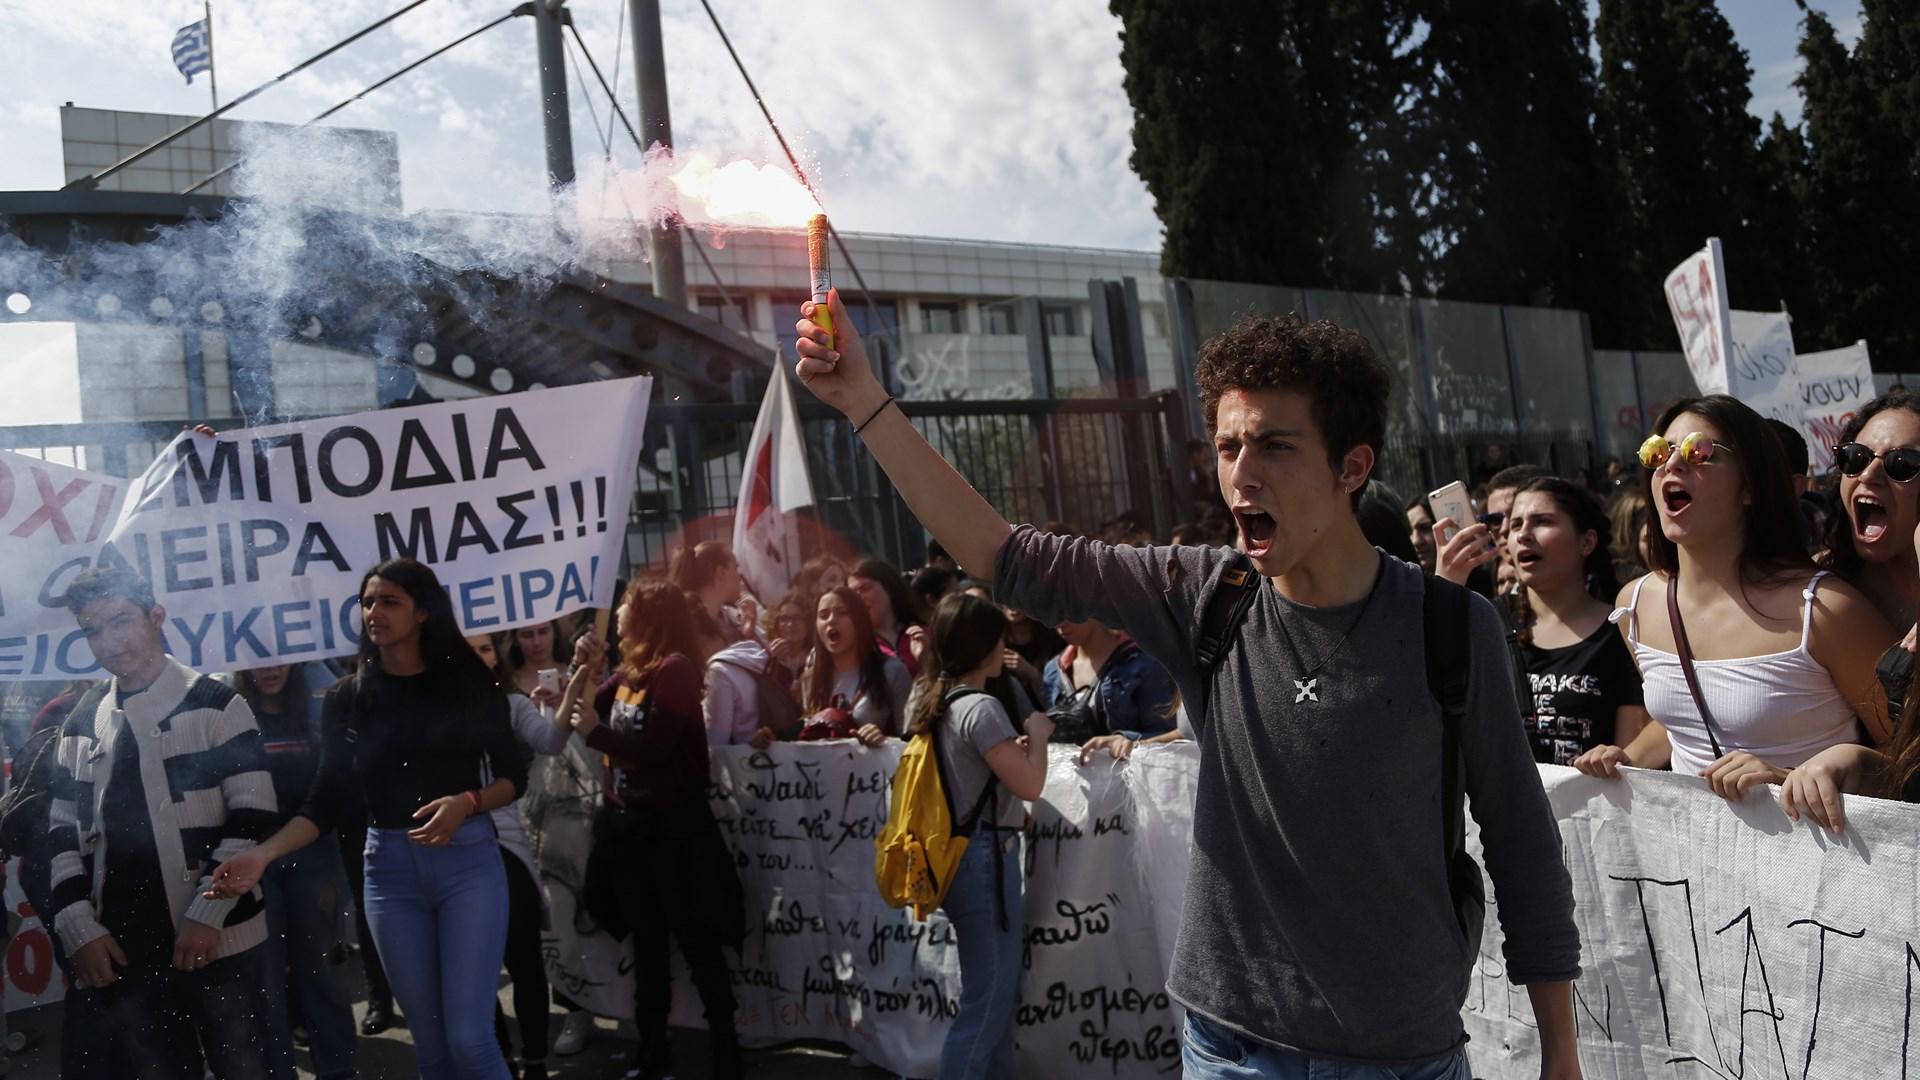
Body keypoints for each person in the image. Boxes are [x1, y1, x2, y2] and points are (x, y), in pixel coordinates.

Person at [795, 295, 1582, 1077]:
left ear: (1352, 466)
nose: (1241, 474)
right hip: (1228, 1050)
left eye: (1274, 446)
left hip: (1401, 1055)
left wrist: (1562, 1053)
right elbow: (999, 552)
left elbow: (1518, 838)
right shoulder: (1202, 592)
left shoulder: (1452, 627)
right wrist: (863, 399)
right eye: (1227, 445)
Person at [208, 558, 532, 1080]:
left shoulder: (470, 684)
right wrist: (261, 854)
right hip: (389, 874)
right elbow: (325, 800)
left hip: (468, 865)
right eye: (367, 602)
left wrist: (465, 803)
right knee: (431, 1048)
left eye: (389, 601)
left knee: (470, 1041)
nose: (373, 612)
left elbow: (515, 777)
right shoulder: (346, 698)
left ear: (423, 612)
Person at [1572, 396, 1894, 801]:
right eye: (1658, 452)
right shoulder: (1635, 606)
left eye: (1699, 451)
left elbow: (1907, 755)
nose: (1672, 464)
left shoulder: (1827, 609)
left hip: (1814, 856)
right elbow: (1683, 722)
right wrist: (1627, 756)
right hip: (1694, 857)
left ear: (1750, 487)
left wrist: (1798, 773)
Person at [47, 566, 280, 1079]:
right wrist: (78, 927)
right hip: (122, 949)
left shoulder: (219, 704)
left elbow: (254, 818)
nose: (109, 641)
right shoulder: (82, 722)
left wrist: (207, 911)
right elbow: (62, 834)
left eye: (121, 620)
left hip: (223, 942)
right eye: (92, 629)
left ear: (156, 617)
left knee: (247, 1069)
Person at [574, 579, 744, 1080]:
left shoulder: (674, 671)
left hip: (673, 832)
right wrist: (583, 665)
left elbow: (655, 749)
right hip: (629, 833)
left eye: (627, 604)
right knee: (646, 945)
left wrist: (594, 735)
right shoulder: (630, 671)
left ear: (647, 614)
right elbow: (590, 702)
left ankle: (725, 1051)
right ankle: (652, 1049)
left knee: (696, 942)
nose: (620, 609)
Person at [905, 593, 1052, 1079]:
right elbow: (1029, 784)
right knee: (985, 1008)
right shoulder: (982, 707)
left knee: (988, 1002)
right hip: (985, 862)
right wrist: (1039, 734)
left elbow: (975, 781)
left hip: (958, 858)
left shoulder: (934, 698)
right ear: (990, 647)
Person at [232, 662, 357, 1080]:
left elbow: (334, 786)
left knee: (325, 975)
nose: (270, 668)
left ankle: (339, 1071)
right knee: (263, 986)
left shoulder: (318, 710)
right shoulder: (231, 717)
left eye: (279, 656)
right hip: (252, 860)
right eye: (258, 659)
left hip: (315, 854)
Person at [468, 633, 577, 1080]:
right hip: (456, 849)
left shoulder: (511, 705)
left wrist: (571, 694)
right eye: (470, 649)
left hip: (506, 846)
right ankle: (503, 1059)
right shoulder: (432, 707)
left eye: (487, 648)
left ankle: (534, 1061)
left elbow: (550, 741)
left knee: (525, 960)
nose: (480, 658)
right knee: (475, 968)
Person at [1506, 479, 1649, 766]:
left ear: (1586, 542)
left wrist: (1618, 759)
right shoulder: (1490, 624)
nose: (1523, 535)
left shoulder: (1620, 630)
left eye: (1542, 521)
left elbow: (1629, 758)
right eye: (1515, 524)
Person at [1043, 613, 1178, 744]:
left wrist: (1126, 740)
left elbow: (1166, 735)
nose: (1060, 624)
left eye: (1067, 612)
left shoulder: (1143, 663)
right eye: (1053, 614)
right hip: (1070, 765)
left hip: (1128, 765)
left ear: (1091, 607)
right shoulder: (1053, 671)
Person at [802, 586, 912, 744]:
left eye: (842, 613)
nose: (831, 620)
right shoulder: (811, 679)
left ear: (859, 620)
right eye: (823, 615)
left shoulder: (892, 671)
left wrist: (884, 741)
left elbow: (911, 740)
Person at [848, 557, 927, 676]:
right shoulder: (853, 646)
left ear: (889, 588)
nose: (859, 598)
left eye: (865, 588)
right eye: (852, 594)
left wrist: (929, 661)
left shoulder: (925, 634)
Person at [670, 541, 753, 644]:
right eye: (735, 568)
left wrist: (747, 636)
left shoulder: (729, 620)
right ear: (721, 572)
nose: (739, 576)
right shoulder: (690, 630)